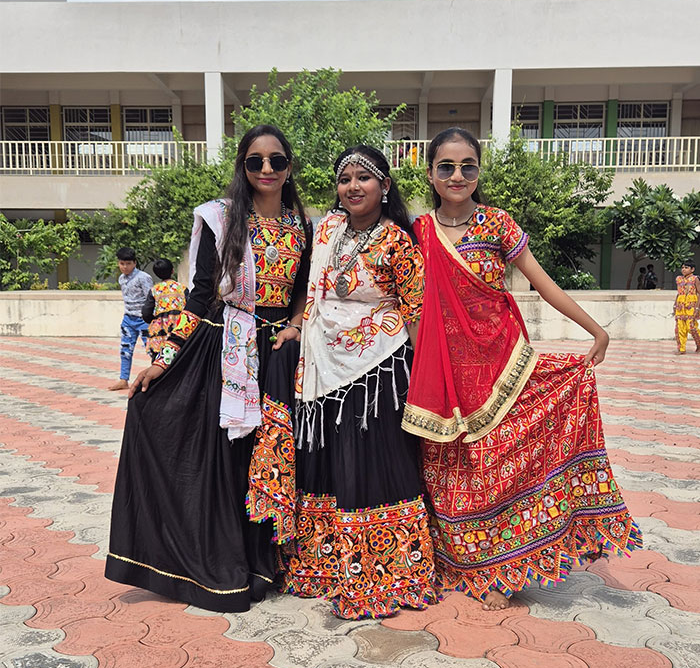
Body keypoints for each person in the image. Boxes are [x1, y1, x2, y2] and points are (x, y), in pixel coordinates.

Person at [402, 127, 642, 611]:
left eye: (468, 165)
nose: (457, 175)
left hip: (504, 365)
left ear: (478, 172)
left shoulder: (498, 225)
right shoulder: (416, 231)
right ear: (430, 173)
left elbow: (542, 283)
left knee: (502, 468)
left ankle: (505, 568)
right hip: (445, 372)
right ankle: (461, 562)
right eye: (446, 166)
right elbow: (403, 298)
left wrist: (595, 329)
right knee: (456, 469)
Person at [105, 124, 311, 611]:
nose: (266, 169)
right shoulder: (220, 219)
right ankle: (227, 562)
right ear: (242, 166)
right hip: (230, 352)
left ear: (288, 167)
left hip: (280, 353)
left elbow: (306, 287)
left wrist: (297, 323)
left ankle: (267, 560)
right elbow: (199, 302)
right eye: (255, 161)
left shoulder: (303, 222)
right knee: (226, 458)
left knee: (272, 460)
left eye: (276, 161)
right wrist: (162, 361)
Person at [282, 145, 439, 620]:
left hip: (378, 368)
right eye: (344, 177)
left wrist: (428, 380)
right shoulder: (326, 230)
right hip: (321, 363)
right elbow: (305, 290)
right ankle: (327, 567)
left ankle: (387, 575)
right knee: (329, 463)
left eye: (364, 178)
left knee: (373, 459)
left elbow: (415, 311)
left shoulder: (397, 241)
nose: (353, 186)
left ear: (384, 186)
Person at [109, 247, 152, 391]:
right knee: (125, 349)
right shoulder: (121, 279)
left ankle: (157, 376)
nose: (124, 267)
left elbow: (150, 298)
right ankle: (123, 379)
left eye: (128, 263)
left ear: (134, 263)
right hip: (128, 318)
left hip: (144, 320)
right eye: (121, 263)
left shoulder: (143, 278)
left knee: (152, 349)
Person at [141, 258, 188, 362]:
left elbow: (146, 313)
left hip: (160, 333)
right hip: (180, 331)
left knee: (159, 361)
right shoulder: (182, 288)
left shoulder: (154, 290)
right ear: (172, 270)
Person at [674, 260, 700, 354]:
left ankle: (699, 344)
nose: (683, 269)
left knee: (691, 327)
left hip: (691, 306)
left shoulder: (695, 279)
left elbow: (699, 293)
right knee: (679, 327)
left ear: (692, 269)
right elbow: (679, 293)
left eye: (686, 267)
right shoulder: (679, 279)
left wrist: (697, 308)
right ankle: (681, 349)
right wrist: (675, 304)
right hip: (680, 306)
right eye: (683, 267)